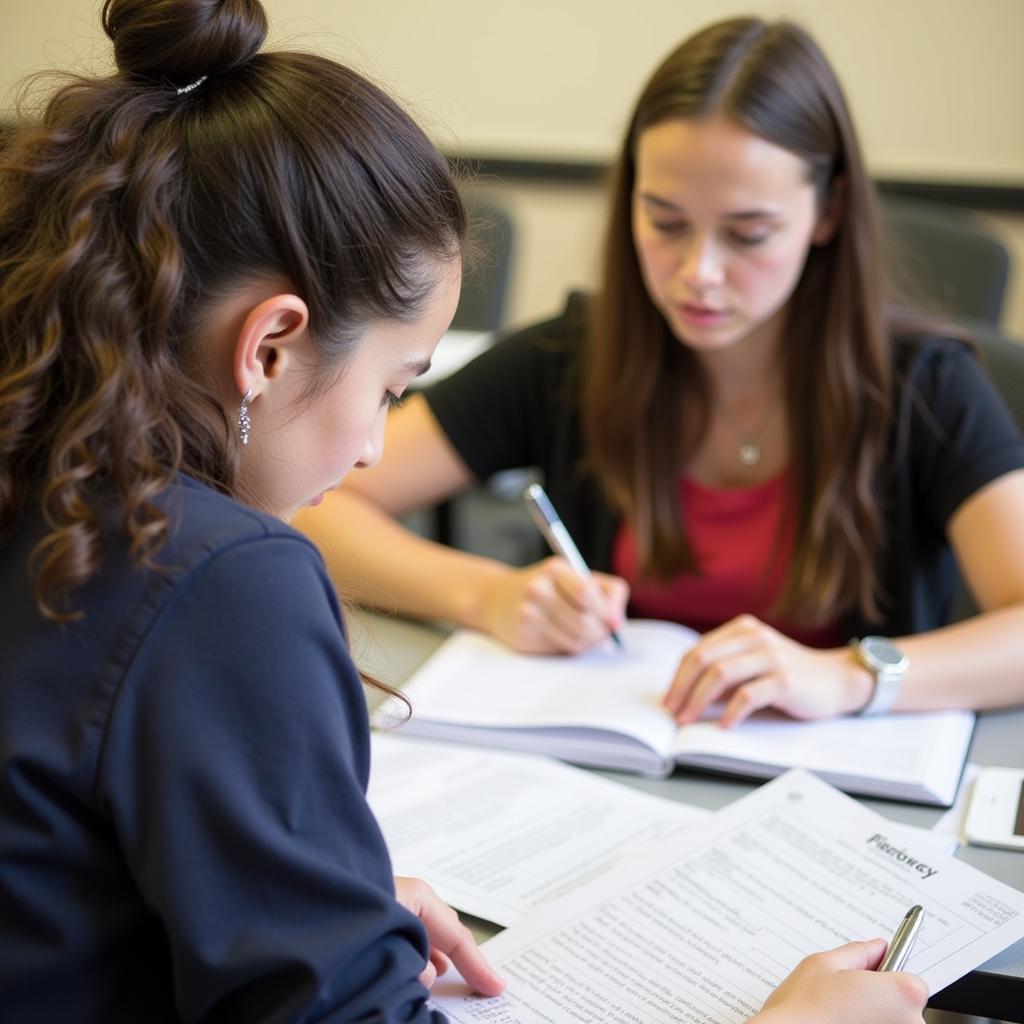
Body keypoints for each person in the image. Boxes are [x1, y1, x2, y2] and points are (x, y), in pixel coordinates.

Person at [0, 3, 929, 1021]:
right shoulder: (222, 575)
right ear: (268, 346)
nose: (367, 448)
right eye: (393, 387)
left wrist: (310, 901)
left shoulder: (43, 477)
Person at [297, 16, 1024, 729]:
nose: (698, 274)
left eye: (748, 233)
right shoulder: (572, 358)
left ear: (827, 212)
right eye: (665, 222)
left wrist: (848, 675)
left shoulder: (924, 385)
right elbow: (319, 501)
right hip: (620, 768)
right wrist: (486, 595)